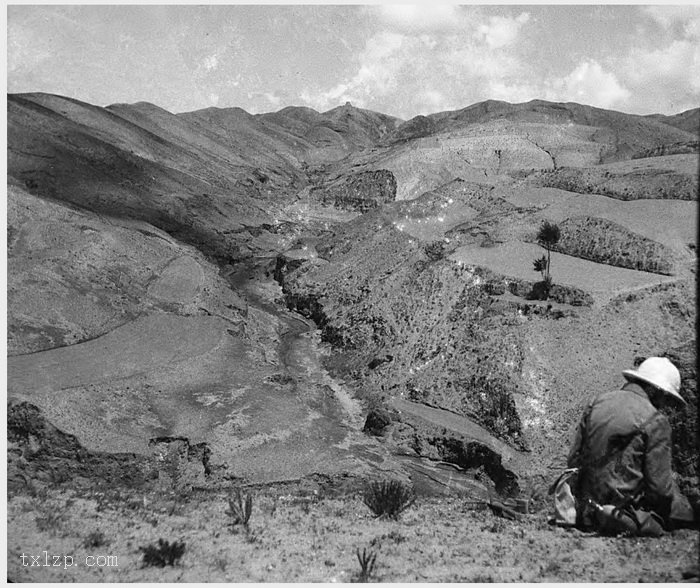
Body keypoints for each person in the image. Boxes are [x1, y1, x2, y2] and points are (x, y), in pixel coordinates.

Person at [566, 356, 695, 535]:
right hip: (623, 509)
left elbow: (573, 459)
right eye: (666, 398)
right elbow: (659, 489)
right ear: (656, 390)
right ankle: (624, 518)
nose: (665, 405)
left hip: (584, 510)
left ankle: (593, 512)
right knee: (676, 515)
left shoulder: (596, 402)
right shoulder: (656, 421)